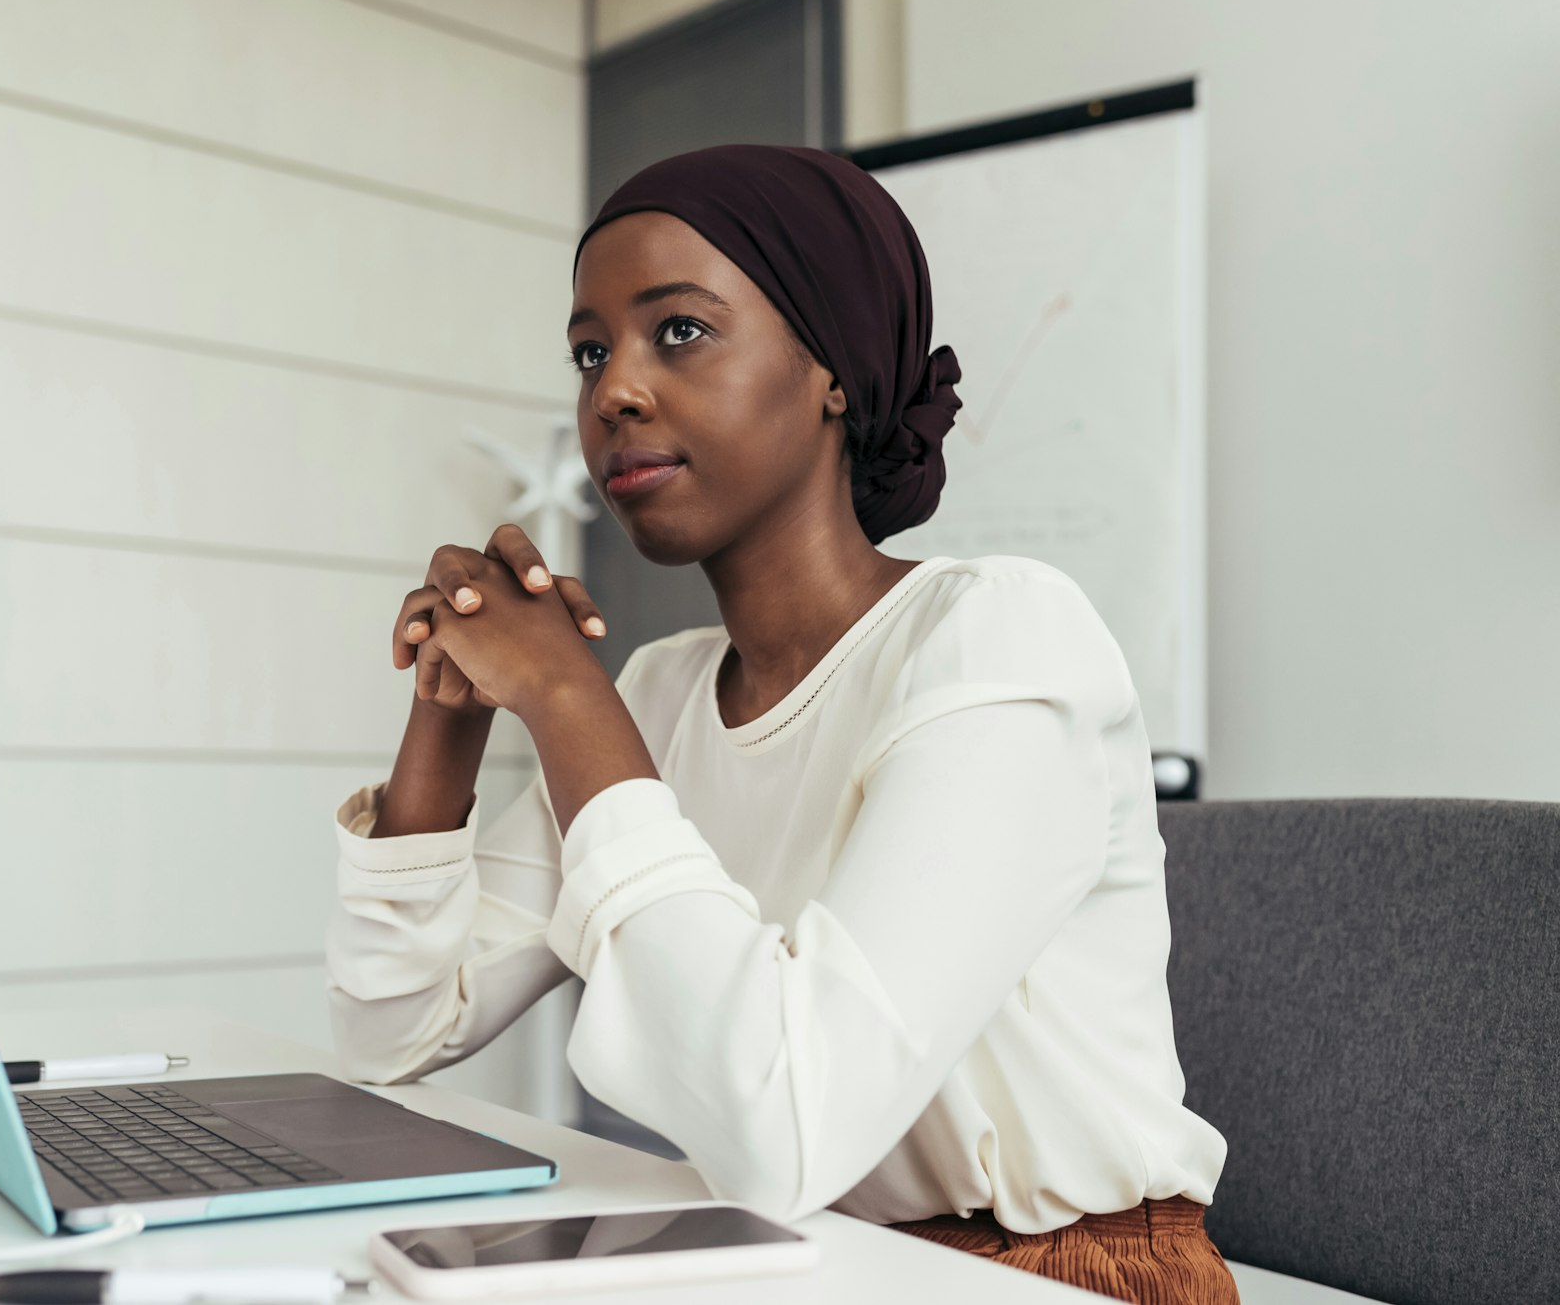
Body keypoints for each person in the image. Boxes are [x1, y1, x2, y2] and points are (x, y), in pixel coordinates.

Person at [322, 144, 1235, 1304]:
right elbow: (387, 1039)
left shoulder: (1000, 639)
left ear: (832, 370)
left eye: (679, 331)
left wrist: (562, 696)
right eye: (590, 351)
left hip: (1060, 1278)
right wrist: (447, 720)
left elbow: (787, 1120)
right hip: (812, 1260)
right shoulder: (656, 692)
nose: (614, 390)